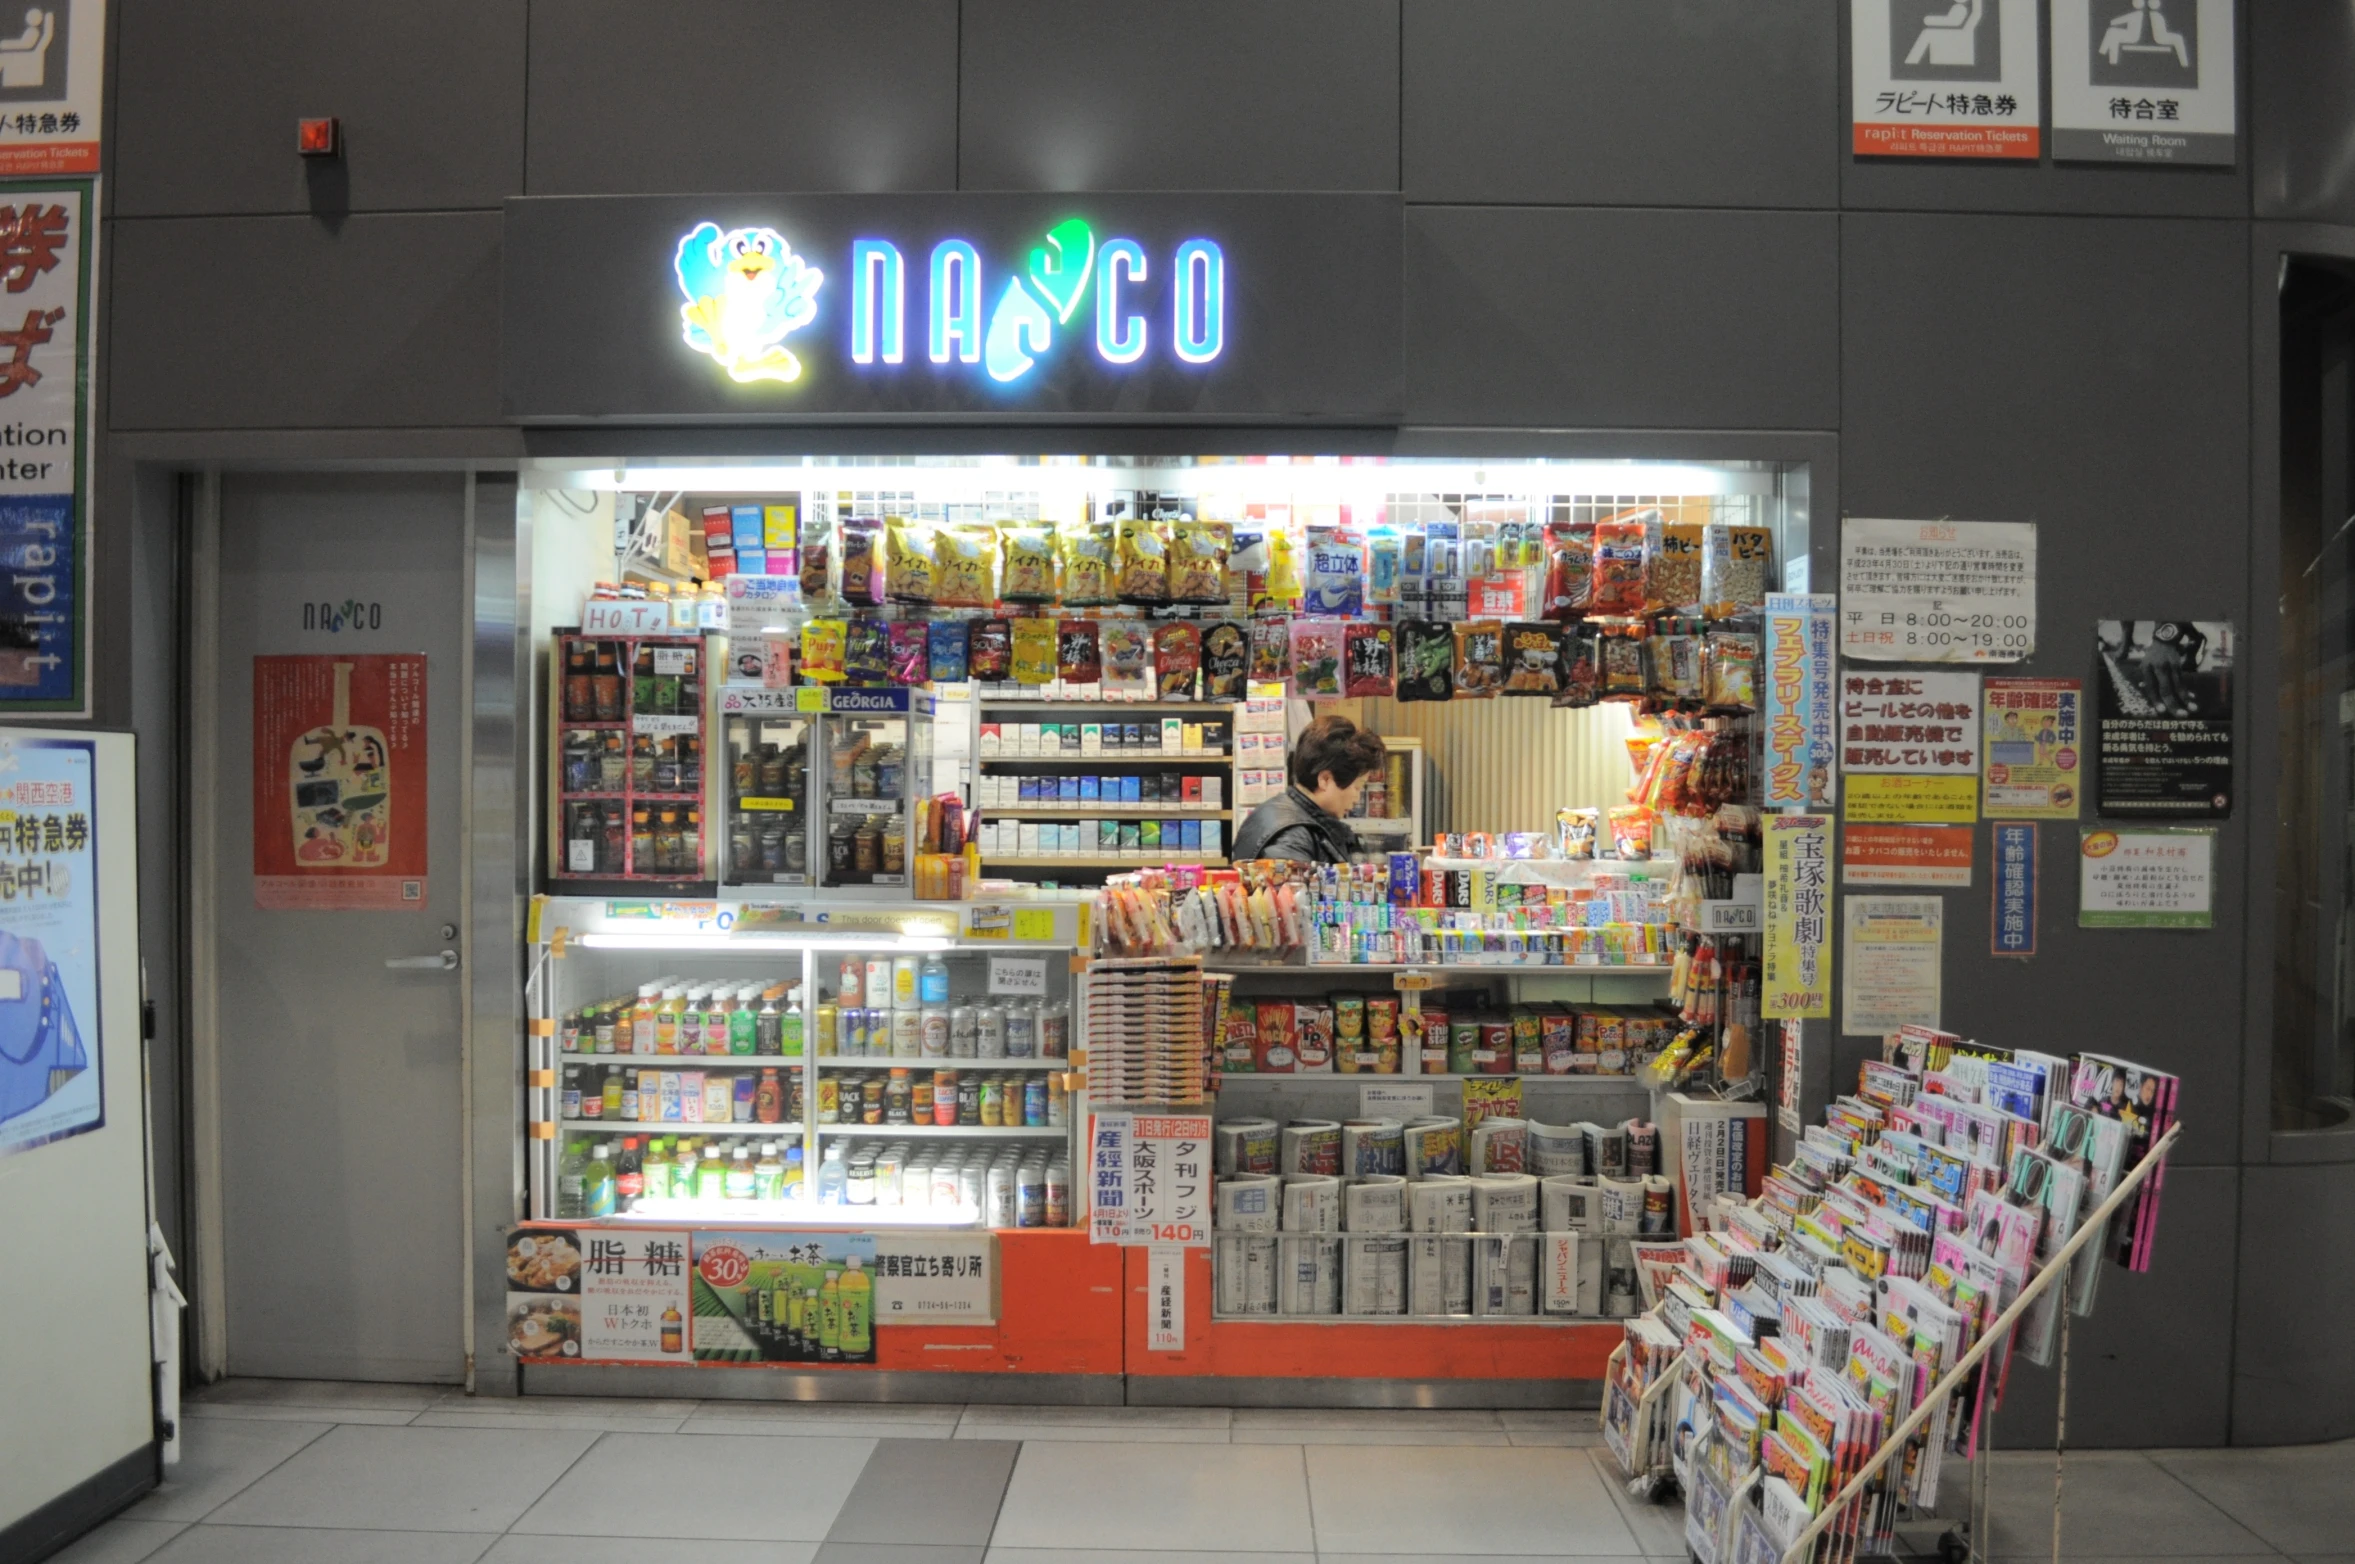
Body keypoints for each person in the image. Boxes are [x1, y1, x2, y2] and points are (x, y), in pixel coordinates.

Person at [1231, 714, 1387, 864]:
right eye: (1357, 787)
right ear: (1325, 779)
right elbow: (1291, 890)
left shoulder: (1293, 816)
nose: (1357, 798)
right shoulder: (1291, 838)